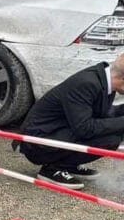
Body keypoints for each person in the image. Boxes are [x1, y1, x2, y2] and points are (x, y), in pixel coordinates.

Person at [14, 55, 124, 187]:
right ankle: (53, 169)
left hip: (59, 130)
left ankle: (69, 165)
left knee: (115, 131)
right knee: (111, 140)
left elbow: (102, 113)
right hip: (38, 142)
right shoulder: (87, 83)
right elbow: (85, 129)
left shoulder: (105, 80)